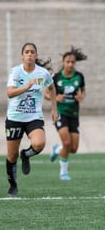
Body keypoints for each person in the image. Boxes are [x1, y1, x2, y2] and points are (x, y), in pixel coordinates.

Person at [5, 42, 58, 196]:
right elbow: (10, 93)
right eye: (26, 52)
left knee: (39, 143)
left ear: (36, 55)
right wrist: (26, 87)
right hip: (15, 117)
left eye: (32, 52)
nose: (29, 54)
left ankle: (26, 155)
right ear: (22, 56)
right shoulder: (15, 72)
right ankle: (13, 186)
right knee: (11, 156)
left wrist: (54, 108)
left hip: (34, 117)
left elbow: (52, 88)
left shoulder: (43, 73)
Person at [44, 46, 87, 180]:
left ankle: (57, 149)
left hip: (73, 113)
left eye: (73, 62)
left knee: (73, 148)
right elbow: (46, 94)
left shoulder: (79, 77)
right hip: (60, 113)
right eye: (67, 61)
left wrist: (81, 96)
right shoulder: (56, 77)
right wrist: (55, 98)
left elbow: (83, 91)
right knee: (67, 143)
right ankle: (63, 172)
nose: (70, 64)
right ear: (63, 62)